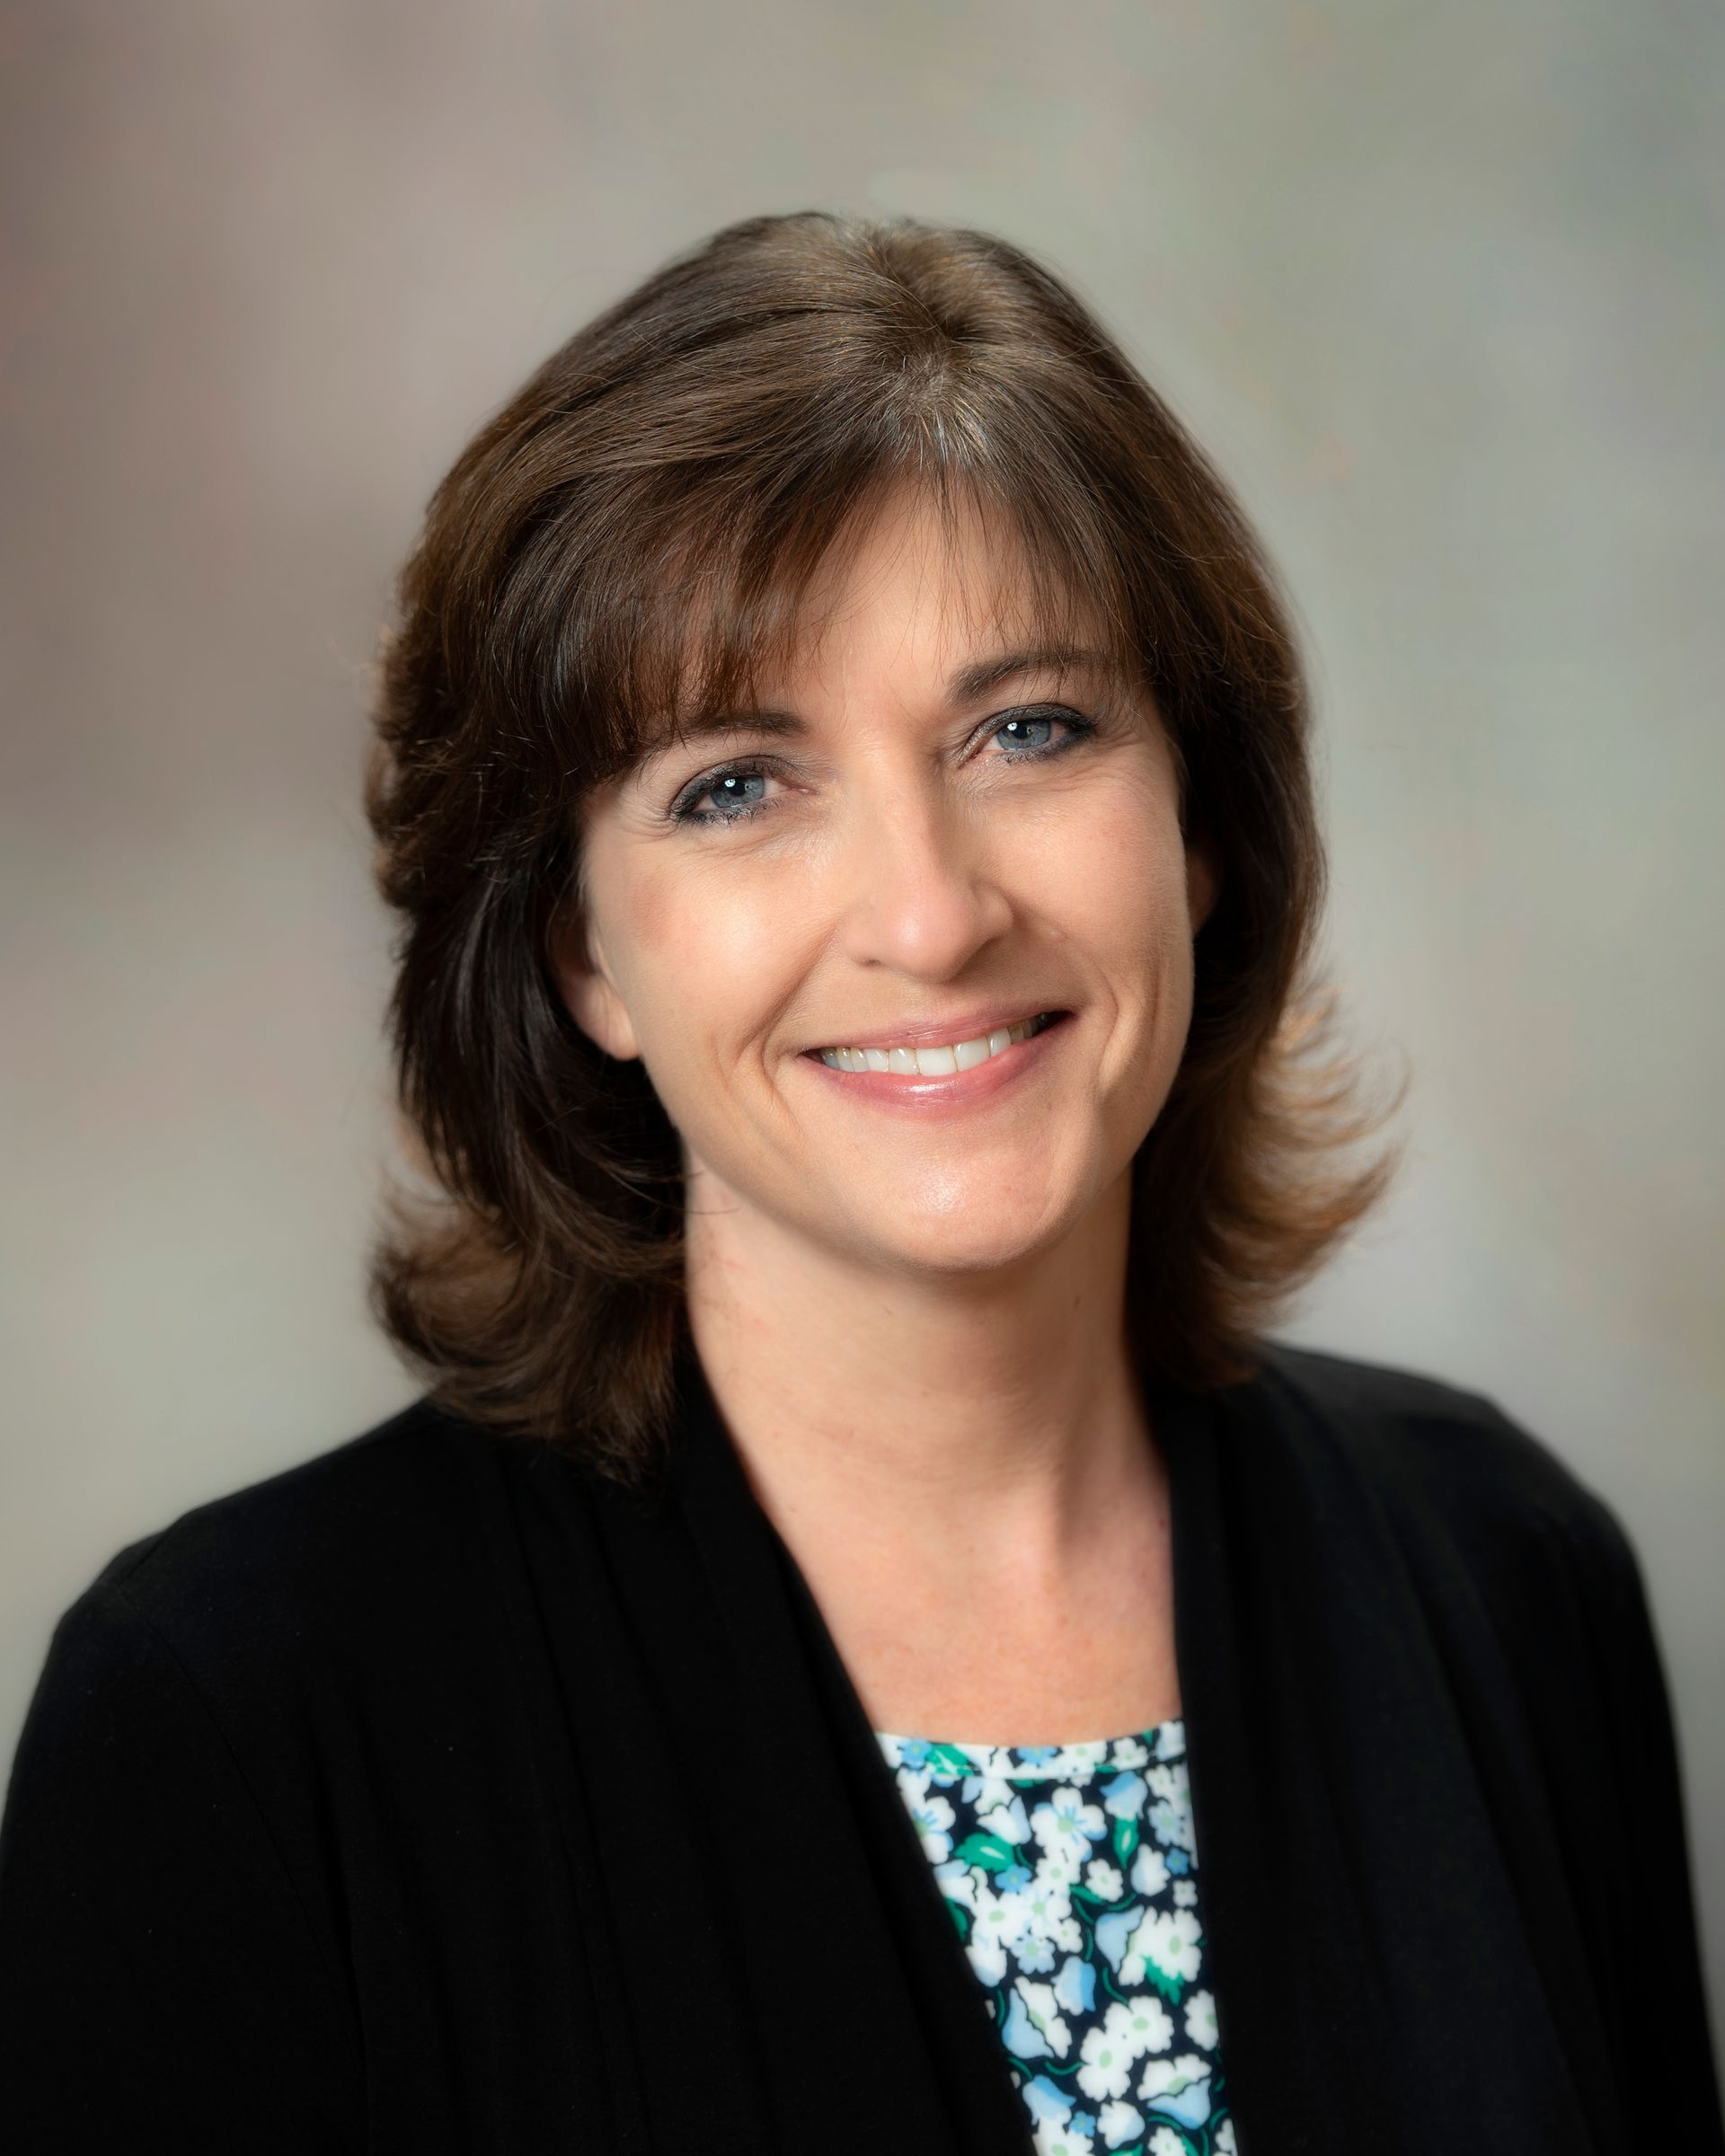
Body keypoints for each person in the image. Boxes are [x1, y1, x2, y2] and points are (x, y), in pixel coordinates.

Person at [0, 210, 1718, 2156]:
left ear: (1203, 832)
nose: (929, 911)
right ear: (581, 956)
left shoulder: (1504, 1576)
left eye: (1028, 730)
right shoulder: (238, 1722)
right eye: (738, 782)